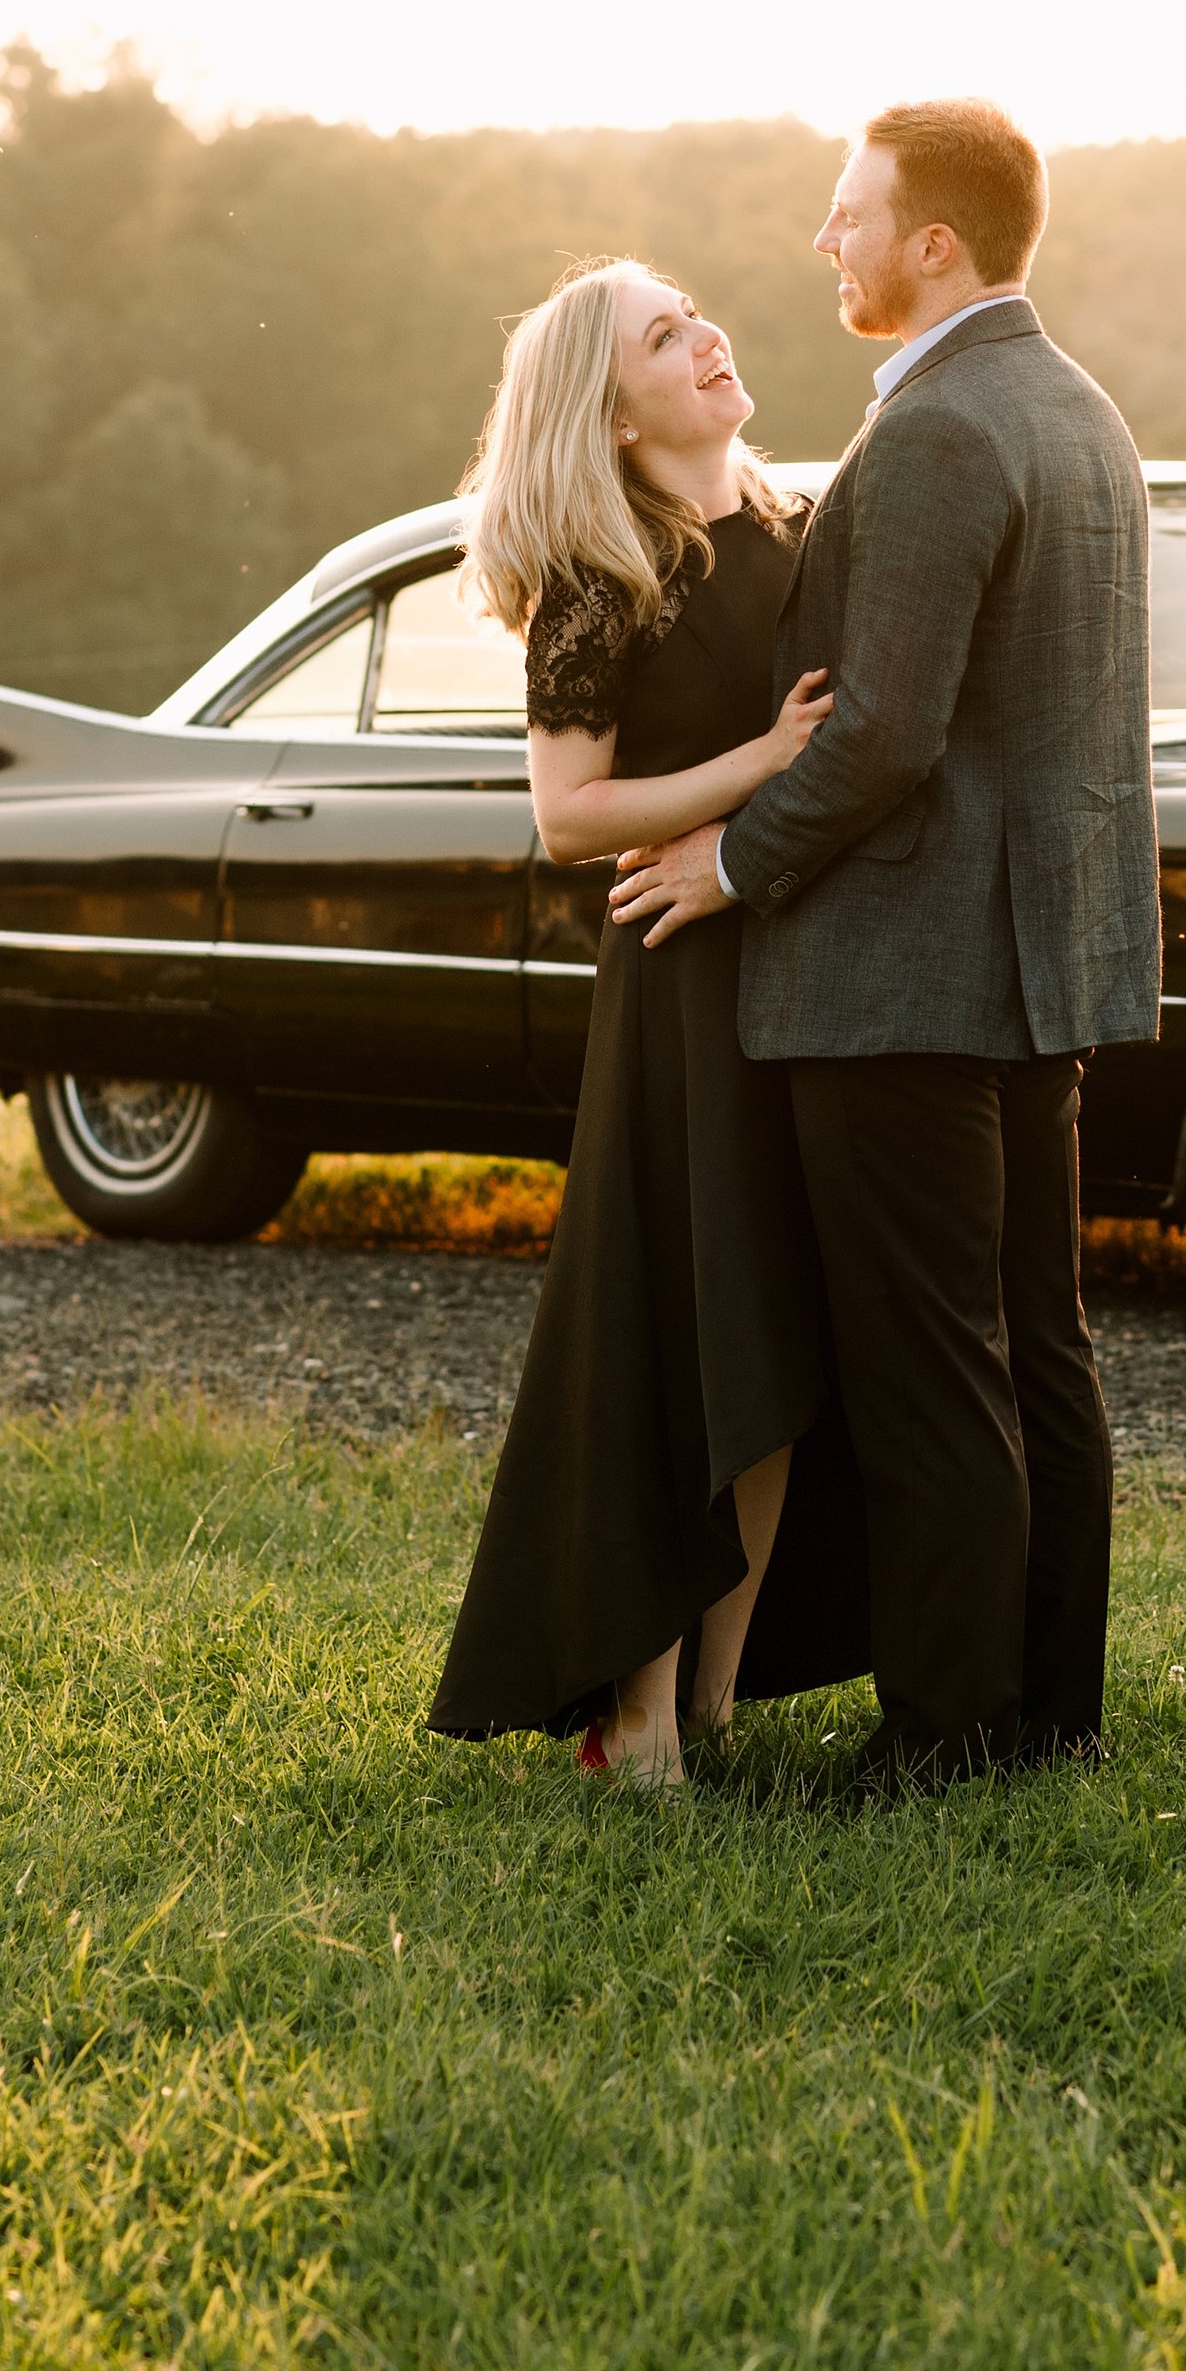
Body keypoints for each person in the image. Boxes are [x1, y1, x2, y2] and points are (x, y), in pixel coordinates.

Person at [609, 99, 1160, 1785]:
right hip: (1036, 955)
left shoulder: (933, 430)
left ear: (935, 243)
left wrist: (726, 864)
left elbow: (885, 732)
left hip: (908, 970)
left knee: (935, 1366)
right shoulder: (1081, 410)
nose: (825, 242)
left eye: (850, 215)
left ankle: (943, 1734)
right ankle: (1046, 1708)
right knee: (1032, 1347)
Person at [426, 260, 867, 1785]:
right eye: (663, 336)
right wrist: (757, 765)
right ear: (610, 412)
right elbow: (568, 813)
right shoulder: (600, 578)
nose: (706, 337)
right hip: (679, 983)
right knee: (686, 1343)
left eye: (698, 314)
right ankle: (635, 1715)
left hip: (800, 970)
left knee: (776, 1355)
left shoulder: (806, 531)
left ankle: (714, 1706)